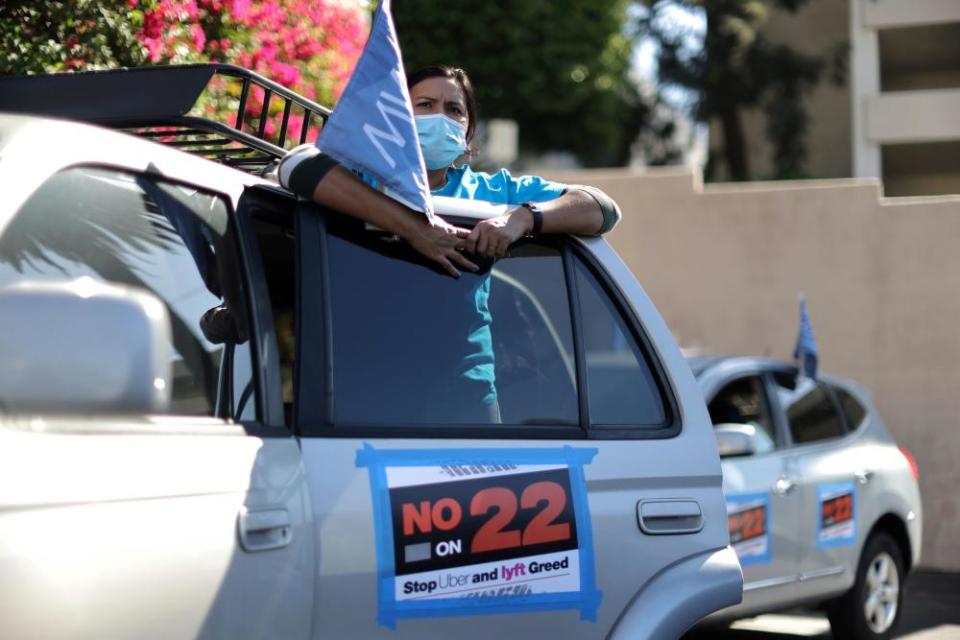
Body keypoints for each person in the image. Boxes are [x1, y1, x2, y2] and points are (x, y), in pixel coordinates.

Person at [277, 65, 622, 423]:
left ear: (468, 131)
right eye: (424, 104)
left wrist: (520, 218)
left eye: (454, 110)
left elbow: (602, 208)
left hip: (464, 387)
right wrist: (415, 230)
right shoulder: (362, 179)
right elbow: (297, 165)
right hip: (366, 382)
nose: (439, 117)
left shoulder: (489, 191)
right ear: (397, 117)